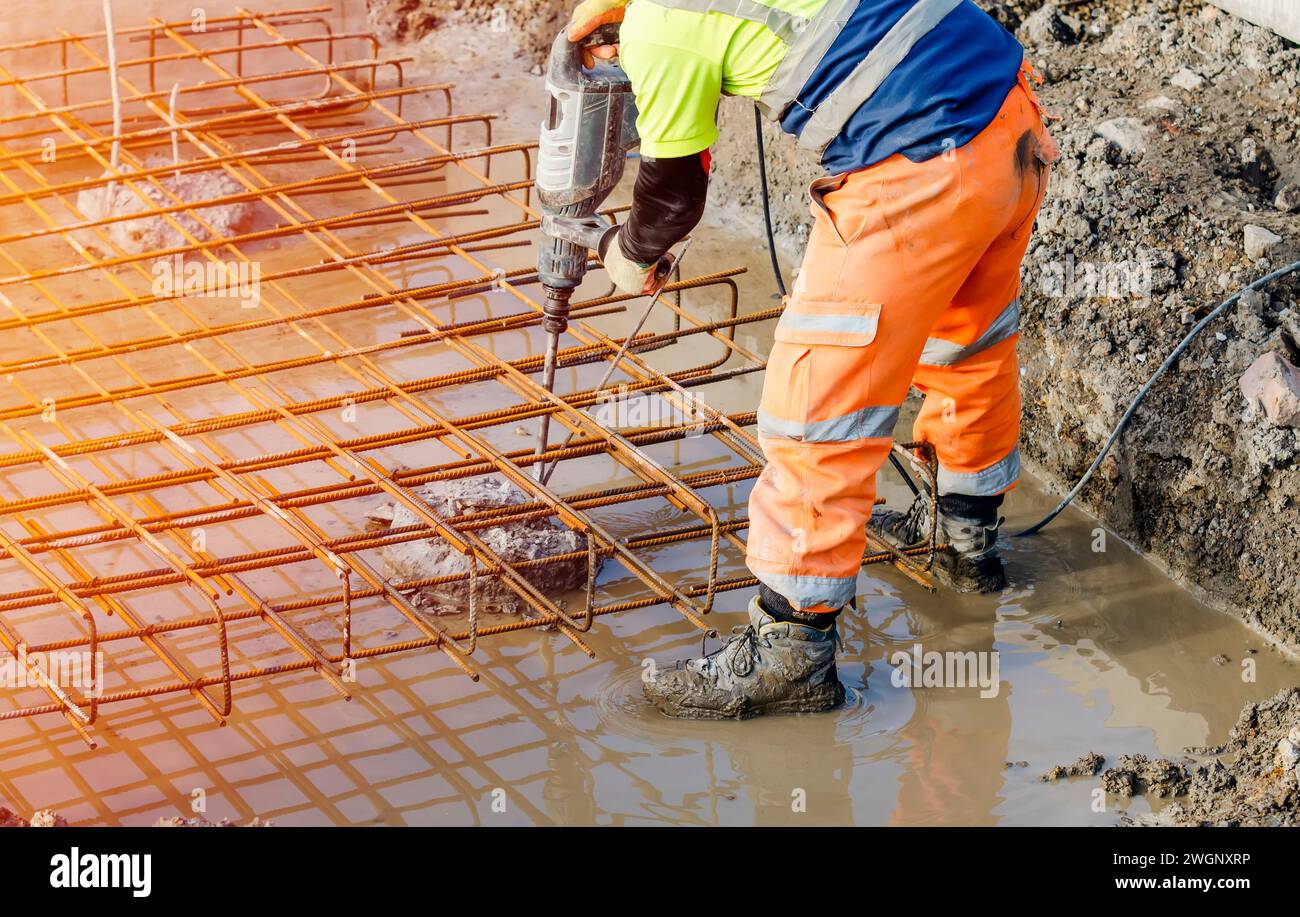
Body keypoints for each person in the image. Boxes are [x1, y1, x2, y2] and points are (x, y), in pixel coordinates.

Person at [566, 0, 1058, 718]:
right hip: (1009, 120)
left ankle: (791, 652)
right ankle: (963, 541)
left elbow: (672, 196)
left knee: (817, 404)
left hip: (915, 162)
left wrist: (627, 257)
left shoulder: (658, 25)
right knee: (967, 342)